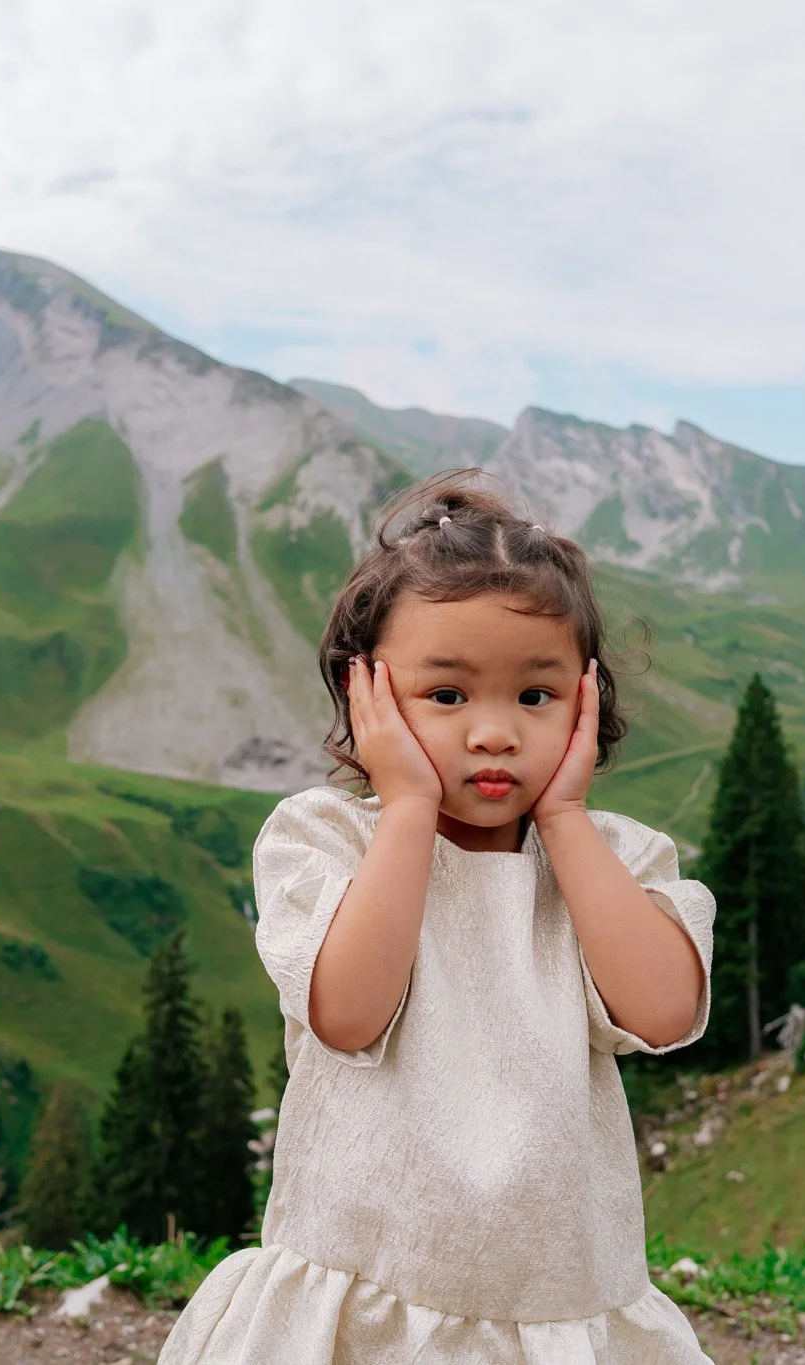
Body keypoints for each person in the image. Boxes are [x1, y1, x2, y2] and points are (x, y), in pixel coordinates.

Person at [160, 472, 717, 1363]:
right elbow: (346, 1011)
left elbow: (663, 1011)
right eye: (447, 696)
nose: (493, 733)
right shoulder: (327, 839)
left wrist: (566, 822)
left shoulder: (615, 862)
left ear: (587, 698)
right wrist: (409, 806)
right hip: (367, 1288)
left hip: (558, 1299)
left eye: (534, 696)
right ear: (368, 696)